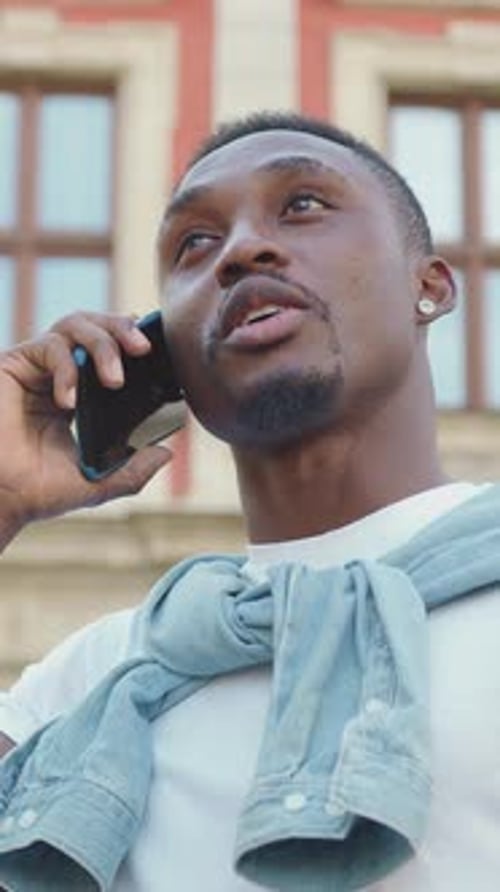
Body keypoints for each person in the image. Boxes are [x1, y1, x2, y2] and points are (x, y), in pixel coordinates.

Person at [0, 111, 497, 892]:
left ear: (427, 285)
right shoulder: (95, 680)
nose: (239, 250)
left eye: (302, 205)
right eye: (194, 245)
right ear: (162, 348)